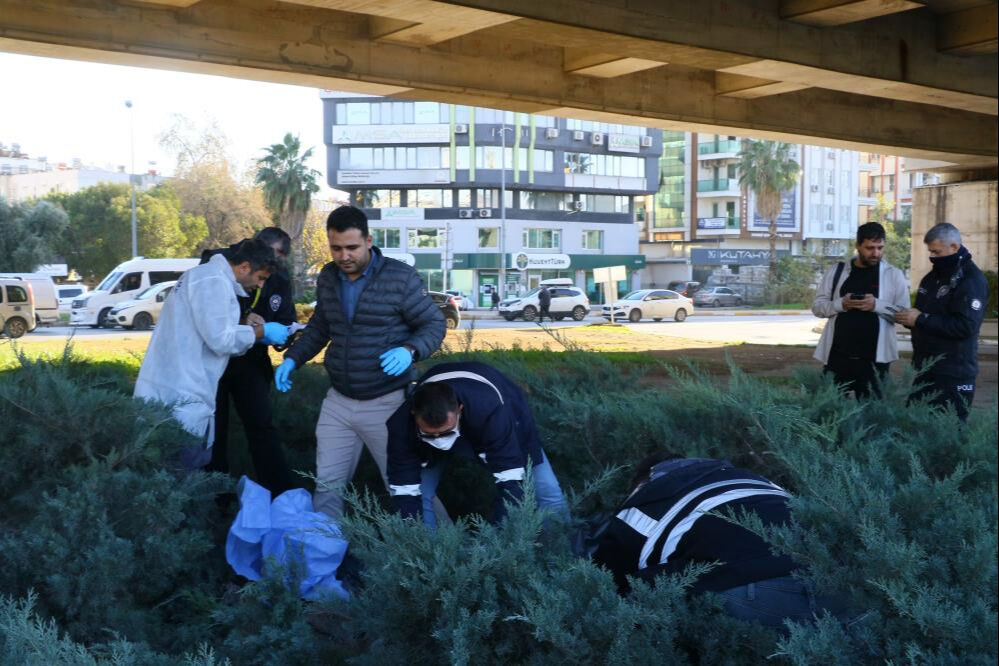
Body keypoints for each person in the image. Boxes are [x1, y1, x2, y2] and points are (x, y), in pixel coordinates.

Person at [274, 206, 447, 518]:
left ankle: (444, 554)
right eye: (336, 248)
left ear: (368, 240)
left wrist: (409, 350)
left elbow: (434, 325)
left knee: (405, 486)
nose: (344, 256)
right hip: (338, 401)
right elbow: (320, 328)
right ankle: (323, 559)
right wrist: (292, 359)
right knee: (327, 488)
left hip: (388, 402)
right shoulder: (328, 277)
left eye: (352, 247)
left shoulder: (400, 277)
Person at [591, 453, 848, 628]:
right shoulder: (753, 480)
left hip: (750, 591)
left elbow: (607, 583)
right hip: (840, 579)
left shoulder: (644, 503)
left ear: (643, 482)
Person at [134, 239, 288, 469]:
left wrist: (245, 326)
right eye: (261, 278)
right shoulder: (214, 281)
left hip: (170, 386)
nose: (260, 286)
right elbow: (220, 340)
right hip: (183, 393)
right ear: (245, 267)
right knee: (183, 478)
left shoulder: (203, 276)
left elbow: (205, 329)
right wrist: (260, 332)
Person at [386, 361, 569, 526]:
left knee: (547, 490)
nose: (440, 440)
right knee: (420, 492)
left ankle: (560, 551)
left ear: (459, 409)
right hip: (437, 428)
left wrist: (497, 540)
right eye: (430, 435)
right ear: (413, 414)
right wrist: (410, 532)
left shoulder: (493, 412)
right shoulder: (401, 425)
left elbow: (512, 482)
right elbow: (404, 488)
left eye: (446, 432)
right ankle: (427, 555)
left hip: (499, 415)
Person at [201, 228, 299, 494]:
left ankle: (279, 494)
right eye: (269, 251)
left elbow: (286, 319)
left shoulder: (279, 278)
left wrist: (279, 335)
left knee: (261, 425)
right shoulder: (218, 265)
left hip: (251, 361)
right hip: (216, 360)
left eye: (279, 254)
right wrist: (246, 323)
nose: (273, 258)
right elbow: (212, 321)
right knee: (213, 428)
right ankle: (214, 495)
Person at [895, 223, 987, 422]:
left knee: (947, 433)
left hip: (953, 373)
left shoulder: (971, 280)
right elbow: (925, 316)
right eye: (930, 252)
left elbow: (966, 326)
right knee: (912, 427)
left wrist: (921, 319)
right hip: (926, 369)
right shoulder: (932, 278)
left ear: (954, 247)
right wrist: (909, 319)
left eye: (936, 252)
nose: (933, 258)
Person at [811, 222, 909, 398]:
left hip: (875, 359)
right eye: (870, 248)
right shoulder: (837, 271)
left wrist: (876, 305)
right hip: (837, 357)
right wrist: (841, 304)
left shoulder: (894, 275)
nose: (876, 253)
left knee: (873, 414)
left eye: (880, 248)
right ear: (857, 246)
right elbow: (818, 308)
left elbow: (904, 315)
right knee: (829, 410)